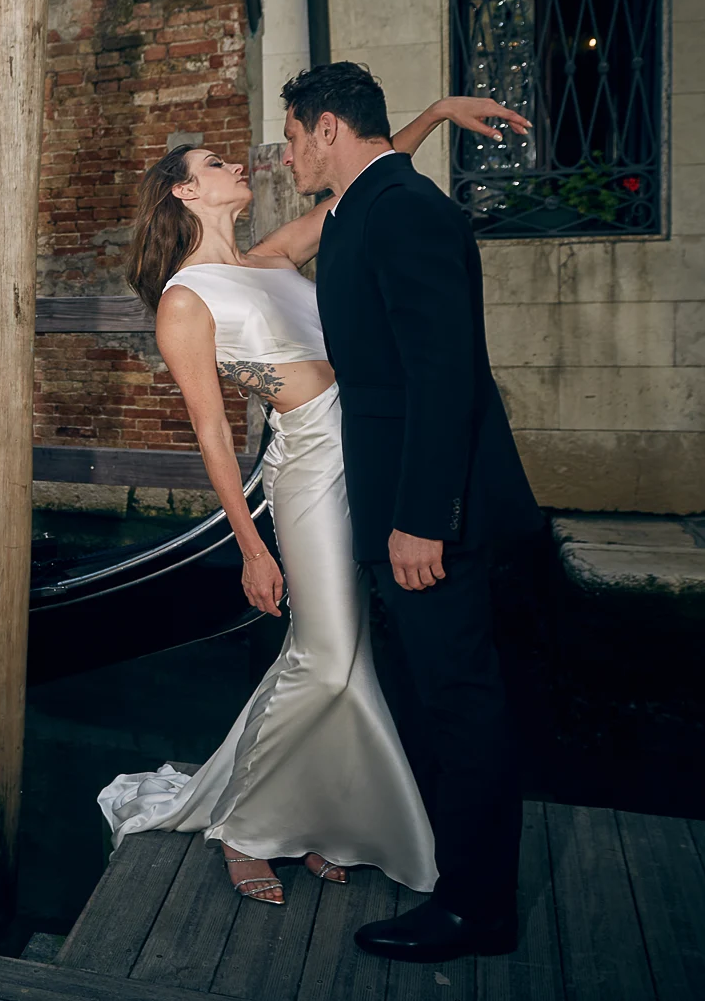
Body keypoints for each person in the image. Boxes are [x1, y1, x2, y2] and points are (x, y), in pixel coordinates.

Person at [95, 82, 527, 922]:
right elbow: (213, 436)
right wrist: (251, 548)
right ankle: (245, 825)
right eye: (214, 162)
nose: (238, 164)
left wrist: (435, 115)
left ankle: (323, 815)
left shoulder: (268, 257)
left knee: (350, 655)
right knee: (325, 656)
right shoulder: (185, 300)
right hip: (307, 470)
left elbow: (364, 181)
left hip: (365, 456)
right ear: (184, 190)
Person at [280, 62, 544, 962]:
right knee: (435, 696)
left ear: (327, 129)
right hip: (394, 501)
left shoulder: (404, 211)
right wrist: (431, 113)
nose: (287, 156)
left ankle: (477, 910)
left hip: (429, 513)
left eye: (293, 137)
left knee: (461, 701)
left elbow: (444, 373)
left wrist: (424, 516)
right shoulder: (365, 203)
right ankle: (456, 877)